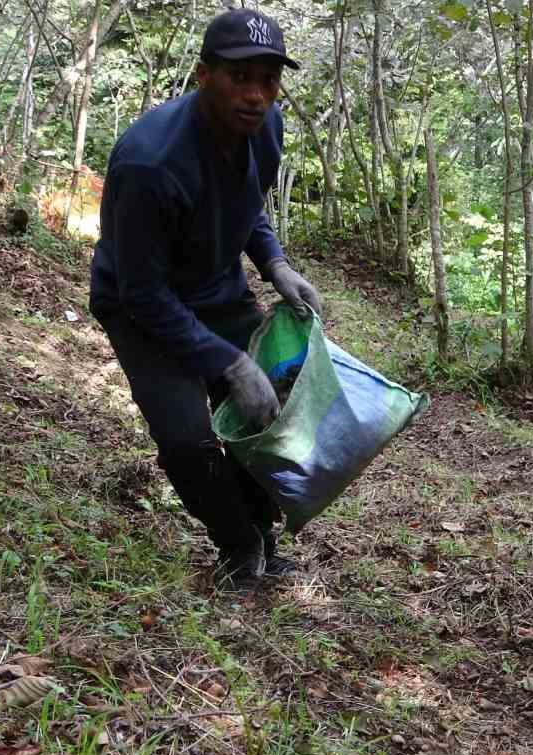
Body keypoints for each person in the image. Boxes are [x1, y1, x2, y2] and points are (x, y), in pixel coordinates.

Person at [90, 9, 324, 589]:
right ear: (203, 75)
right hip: (141, 308)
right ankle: (239, 545)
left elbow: (247, 206)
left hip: (218, 291)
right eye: (239, 77)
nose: (255, 95)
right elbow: (143, 293)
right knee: (188, 442)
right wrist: (229, 361)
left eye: (268, 80)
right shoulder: (150, 161)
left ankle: (263, 534)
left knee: (268, 412)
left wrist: (276, 264)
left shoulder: (264, 129)